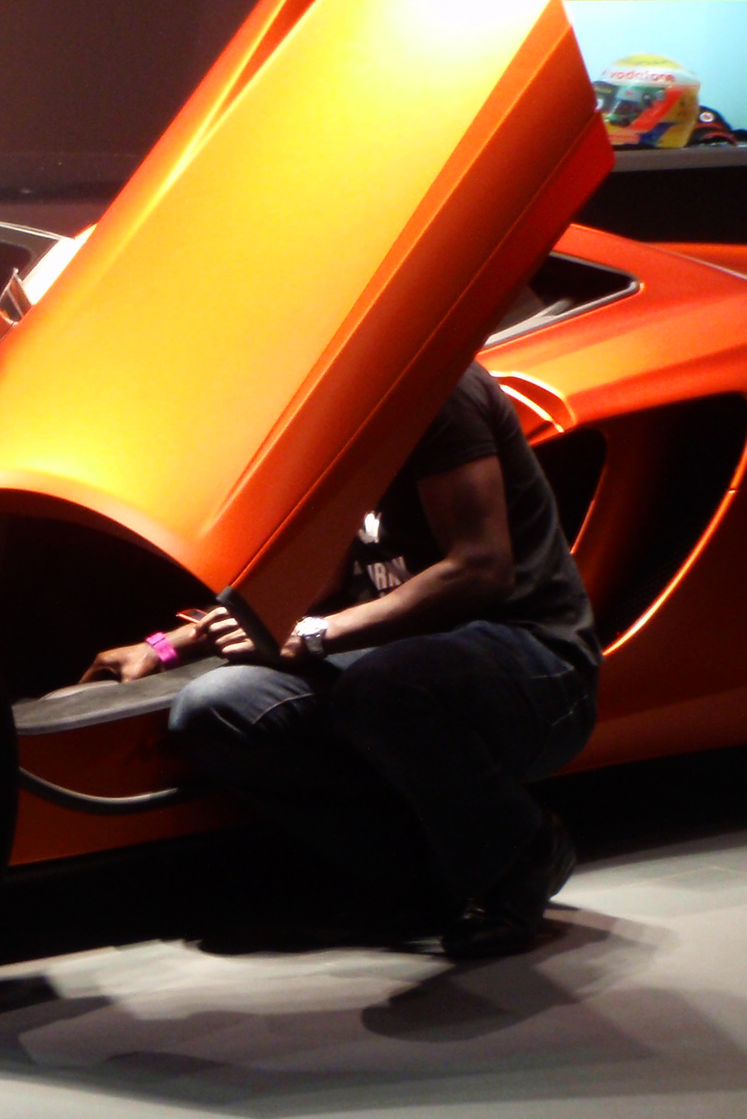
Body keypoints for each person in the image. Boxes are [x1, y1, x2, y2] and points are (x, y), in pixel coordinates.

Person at [81, 362, 600, 958]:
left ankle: (520, 853)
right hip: (393, 663)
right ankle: (424, 878)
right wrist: (165, 647)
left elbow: (480, 567)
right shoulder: (329, 408)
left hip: (533, 662)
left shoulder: (439, 389)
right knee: (214, 710)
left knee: (383, 687)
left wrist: (315, 636)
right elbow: (310, 577)